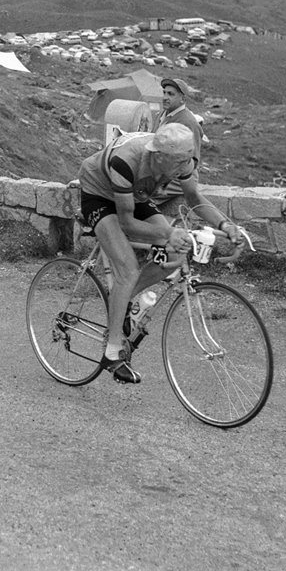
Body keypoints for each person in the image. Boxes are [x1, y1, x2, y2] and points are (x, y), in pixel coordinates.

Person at [77, 123, 240, 384]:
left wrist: (226, 224)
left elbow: (194, 198)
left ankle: (122, 300)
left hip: (134, 194)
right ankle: (112, 352)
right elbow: (127, 223)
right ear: (159, 156)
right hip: (99, 192)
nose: (185, 167)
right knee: (128, 270)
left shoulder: (181, 161)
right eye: (179, 162)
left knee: (174, 255)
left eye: (187, 161)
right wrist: (167, 233)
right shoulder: (125, 161)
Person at [151, 78, 204, 205]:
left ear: (183, 99)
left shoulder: (188, 122)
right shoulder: (161, 115)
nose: (165, 97)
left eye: (171, 94)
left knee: (142, 197)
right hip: (160, 171)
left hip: (178, 178)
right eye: (164, 92)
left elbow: (192, 161)